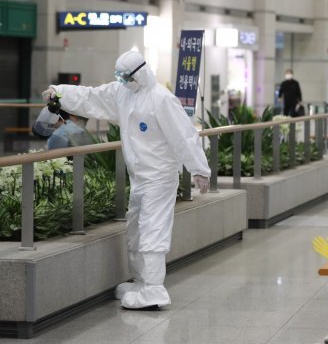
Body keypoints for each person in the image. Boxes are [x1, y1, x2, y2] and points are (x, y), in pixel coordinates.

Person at [42, 50, 211, 310]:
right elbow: (91, 97)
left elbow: (184, 136)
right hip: (140, 177)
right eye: (118, 76)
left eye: (125, 76)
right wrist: (60, 92)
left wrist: (199, 169)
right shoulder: (123, 93)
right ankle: (141, 281)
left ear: (140, 73)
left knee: (152, 229)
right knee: (135, 228)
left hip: (159, 176)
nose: (121, 80)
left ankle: (154, 289)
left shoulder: (161, 100)